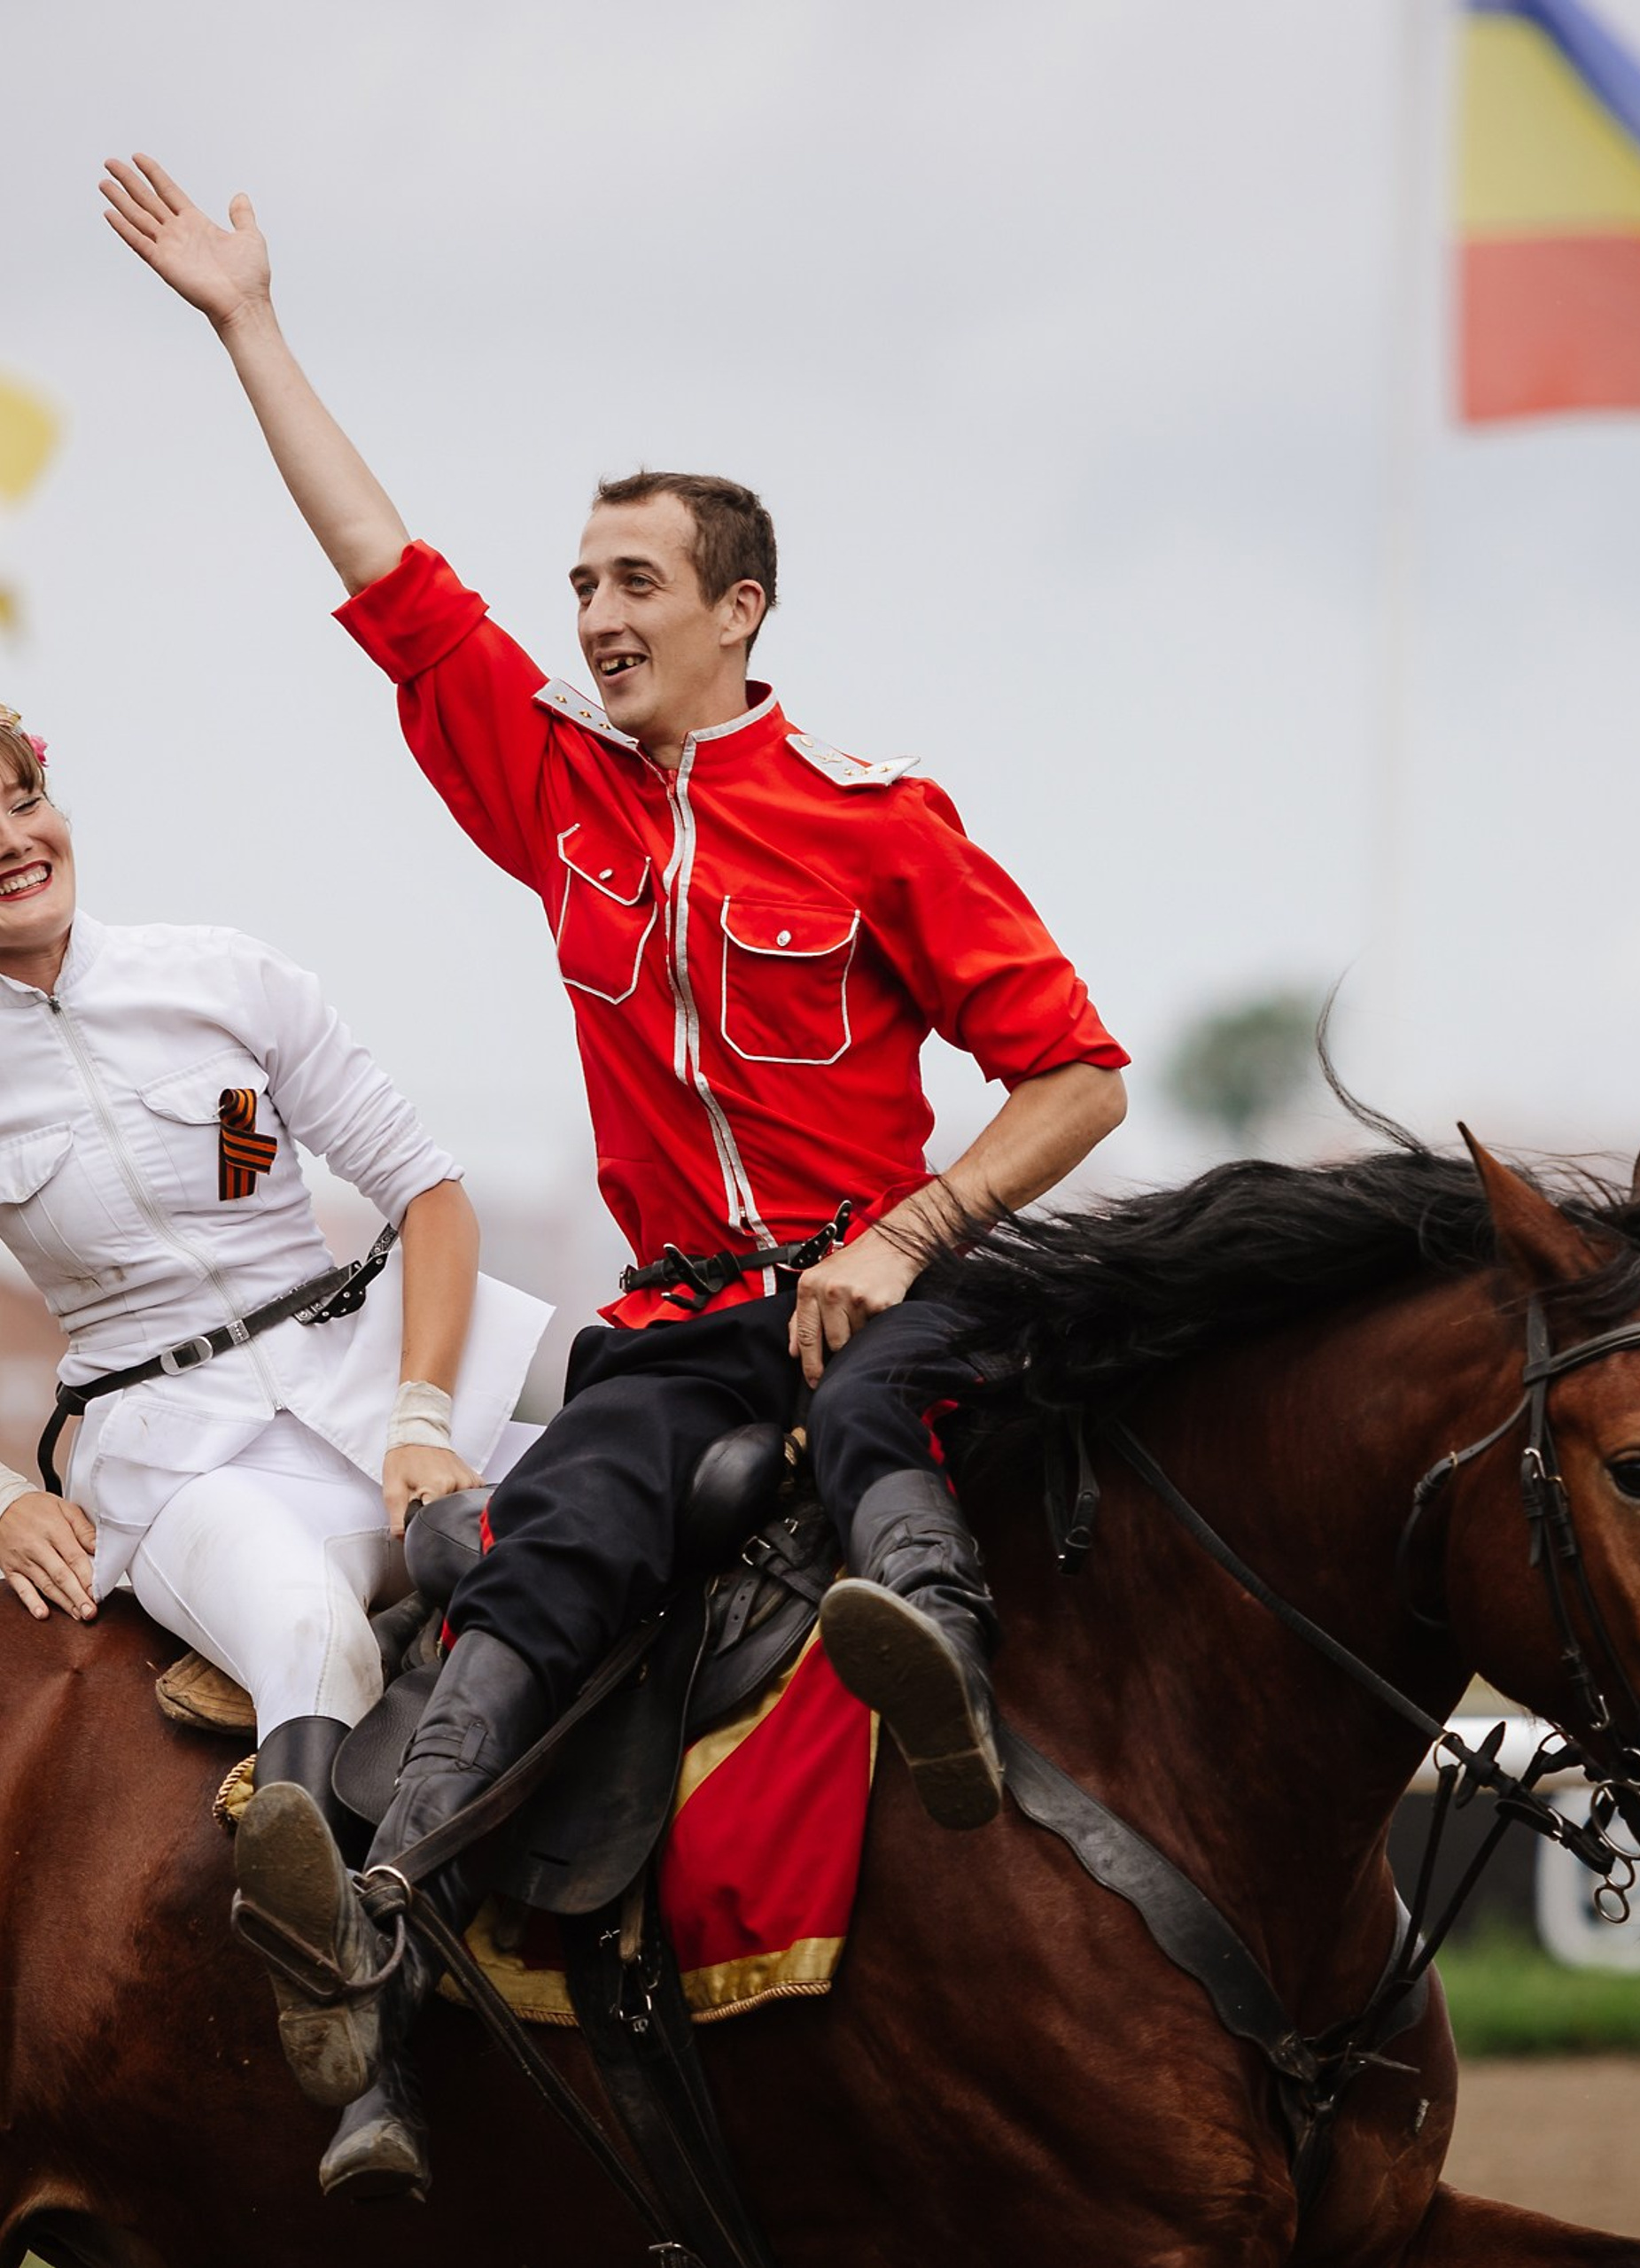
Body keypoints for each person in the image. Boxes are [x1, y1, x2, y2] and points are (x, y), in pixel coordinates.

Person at [105, 155, 1129, 2200]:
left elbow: (1076, 1076)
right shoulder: (558, 799)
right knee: (556, 1523)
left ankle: (920, 1650)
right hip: (676, 1321)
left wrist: (909, 1230)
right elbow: (397, 588)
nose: (591, 617)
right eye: (578, 586)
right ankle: (380, 1897)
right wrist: (249, 328)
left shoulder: (875, 827)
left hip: (878, 1286)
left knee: (872, 1383)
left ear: (735, 609)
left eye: (630, 586)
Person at [0, 702, 548, 1838]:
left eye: (23, 803)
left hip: (371, 1393)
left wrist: (421, 1411)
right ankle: (335, 1972)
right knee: (310, 1625)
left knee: (630, 1496)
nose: (13, 841)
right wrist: (1, 1502)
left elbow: (430, 1196)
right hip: (175, 1465)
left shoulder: (223, 977)